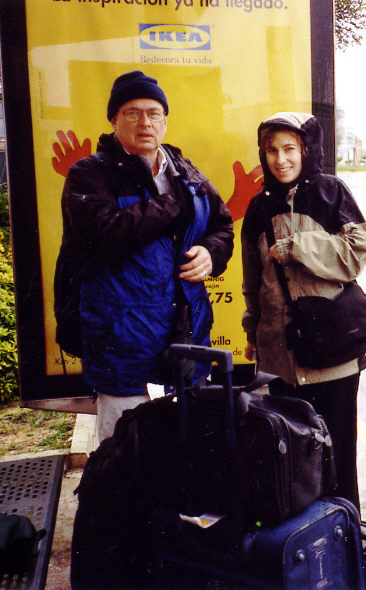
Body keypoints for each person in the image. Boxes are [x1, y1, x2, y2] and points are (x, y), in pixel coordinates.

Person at [58, 71, 234, 444]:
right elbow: (104, 238)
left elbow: (222, 227)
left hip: (188, 339)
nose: (145, 122)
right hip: (123, 346)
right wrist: (173, 203)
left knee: (188, 455)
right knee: (126, 461)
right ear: (114, 120)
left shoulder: (186, 172)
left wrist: (210, 253)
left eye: (154, 113)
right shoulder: (90, 174)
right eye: (133, 112)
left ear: (165, 121)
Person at [241, 112, 366, 510]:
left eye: (289, 149)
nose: (280, 159)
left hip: (333, 357)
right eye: (271, 151)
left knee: (339, 465)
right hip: (282, 362)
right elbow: (252, 283)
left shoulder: (331, 192)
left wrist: (300, 246)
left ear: (305, 150)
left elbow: (356, 254)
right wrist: (252, 333)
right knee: (296, 466)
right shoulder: (257, 208)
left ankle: (347, 544)